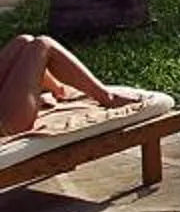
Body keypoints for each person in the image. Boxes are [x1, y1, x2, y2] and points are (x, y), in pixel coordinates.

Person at [0, 34, 150, 140]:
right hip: (6, 123)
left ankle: (59, 90)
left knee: (24, 41)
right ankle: (107, 97)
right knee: (43, 44)